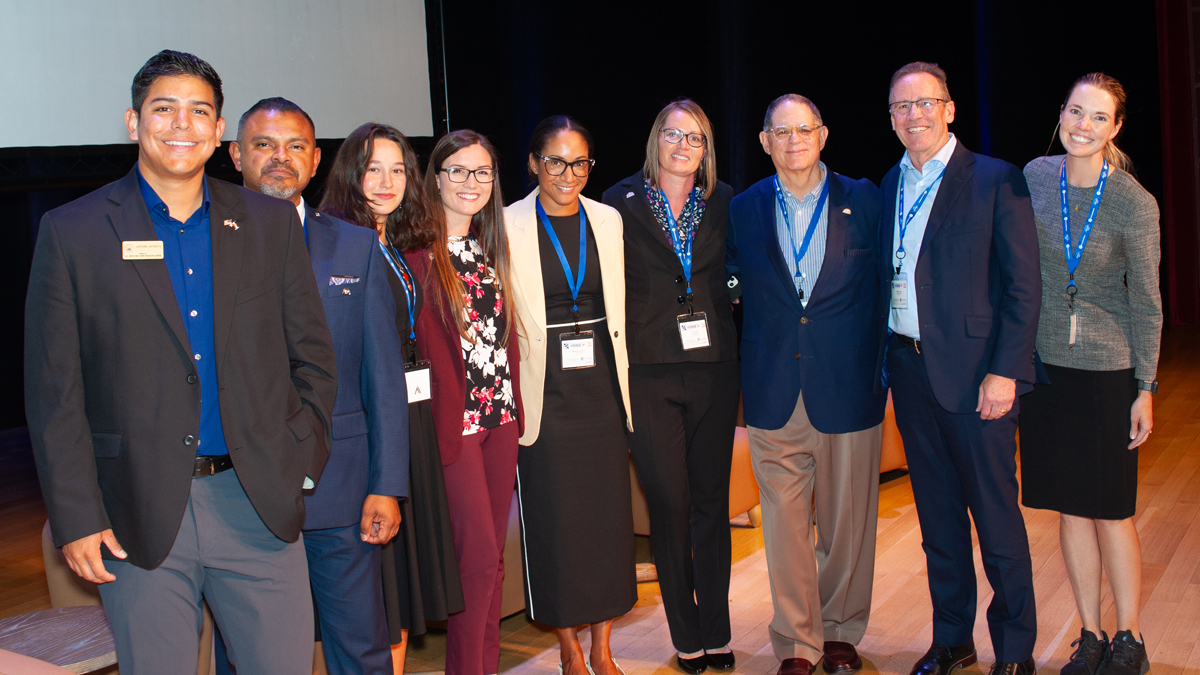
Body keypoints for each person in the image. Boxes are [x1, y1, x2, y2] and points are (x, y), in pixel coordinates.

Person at [24, 50, 337, 674]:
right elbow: (55, 393)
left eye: (199, 111)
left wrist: (298, 463)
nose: (181, 125)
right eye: (163, 109)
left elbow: (313, 360)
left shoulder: (271, 223)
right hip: (136, 516)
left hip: (257, 506)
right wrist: (77, 517)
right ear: (133, 122)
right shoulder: (74, 231)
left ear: (219, 131)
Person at [229, 99, 408, 674]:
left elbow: (383, 376)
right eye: (264, 145)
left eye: (295, 147)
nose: (280, 159)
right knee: (250, 656)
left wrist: (388, 484)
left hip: (343, 490)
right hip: (240, 496)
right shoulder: (202, 248)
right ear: (235, 155)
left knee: (359, 650)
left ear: (315, 162)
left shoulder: (356, 248)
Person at [879, 62, 1041, 675]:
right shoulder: (888, 185)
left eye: (926, 102)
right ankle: (953, 639)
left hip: (978, 380)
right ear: (891, 118)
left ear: (949, 109)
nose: (914, 114)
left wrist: (1005, 372)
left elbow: (1024, 287)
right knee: (938, 522)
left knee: (997, 525)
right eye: (901, 106)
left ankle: (1016, 654)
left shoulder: (997, 180)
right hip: (910, 372)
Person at [725, 94, 888, 675]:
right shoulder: (741, 209)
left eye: (805, 129)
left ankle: (841, 630)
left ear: (823, 135)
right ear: (765, 141)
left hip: (847, 387)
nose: (794, 140)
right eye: (780, 131)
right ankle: (798, 643)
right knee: (785, 530)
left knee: (848, 525)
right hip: (773, 388)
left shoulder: (866, 200)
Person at [1019, 73, 1161, 675]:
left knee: (1111, 509)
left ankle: (1129, 637)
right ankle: (1091, 634)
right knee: (1069, 507)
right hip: (1045, 367)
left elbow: (1148, 301)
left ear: (1117, 127)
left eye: (1098, 117)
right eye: (1076, 112)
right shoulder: (1034, 177)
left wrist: (1146, 388)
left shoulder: (1134, 200)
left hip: (1107, 369)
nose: (1083, 126)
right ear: (1062, 114)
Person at [320, 122, 466, 674]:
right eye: (372, 169)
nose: (386, 182)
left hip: (413, 416)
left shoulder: (400, 246)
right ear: (350, 176)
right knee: (379, 584)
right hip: (369, 424)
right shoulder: (333, 242)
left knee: (401, 580)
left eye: (397, 169)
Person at [600, 100, 739, 674]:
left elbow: (737, 267)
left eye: (697, 138)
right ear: (656, 139)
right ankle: (685, 633)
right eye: (674, 135)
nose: (684, 146)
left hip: (714, 368)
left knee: (712, 503)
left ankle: (718, 630)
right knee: (669, 504)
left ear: (707, 149)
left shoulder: (726, 200)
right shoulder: (616, 202)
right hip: (648, 370)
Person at [507, 116, 636, 675]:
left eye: (579, 163)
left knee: (607, 517)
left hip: (602, 387)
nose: (568, 174)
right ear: (534, 163)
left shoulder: (607, 219)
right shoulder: (505, 222)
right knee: (555, 520)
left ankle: (603, 646)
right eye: (555, 162)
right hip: (544, 388)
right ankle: (568, 644)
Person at [405, 129, 522, 675]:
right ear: (435, 178)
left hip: (500, 420)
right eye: (457, 171)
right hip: (456, 427)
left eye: (482, 173)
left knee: (493, 563)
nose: (470, 183)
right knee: (475, 561)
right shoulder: (414, 258)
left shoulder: (488, 246)